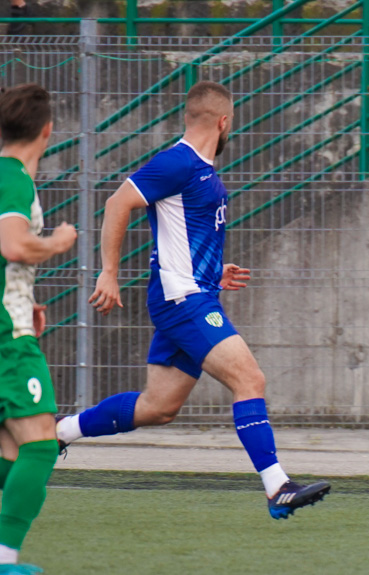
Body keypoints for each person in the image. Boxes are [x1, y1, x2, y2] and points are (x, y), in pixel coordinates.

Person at [54, 81, 330, 520]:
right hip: (185, 301)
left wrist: (215, 270)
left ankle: (60, 431)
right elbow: (117, 203)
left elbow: (180, 235)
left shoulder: (202, 170)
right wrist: (108, 272)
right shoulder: (178, 163)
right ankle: (277, 485)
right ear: (223, 122)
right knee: (250, 380)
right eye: (231, 124)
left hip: (192, 292)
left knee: (158, 407)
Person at [0, 83, 78, 574]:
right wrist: (57, 241)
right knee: (42, 444)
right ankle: (4, 560)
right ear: (47, 131)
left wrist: (28, 301)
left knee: (10, 447)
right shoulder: (13, 179)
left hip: (12, 319)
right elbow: (13, 246)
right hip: (8, 338)